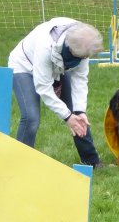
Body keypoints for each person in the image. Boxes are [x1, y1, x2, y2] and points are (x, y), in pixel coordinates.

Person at [8, 17, 104, 168]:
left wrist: (79, 111)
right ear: (71, 49)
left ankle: (90, 161)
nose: (85, 59)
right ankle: (21, 164)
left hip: (57, 67)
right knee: (31, 117)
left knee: (77, 116)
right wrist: (67, 117)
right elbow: (43, 87)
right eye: (83, 57)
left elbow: (80, 79)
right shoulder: (45, 46)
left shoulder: (84, 43)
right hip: (24, 66)